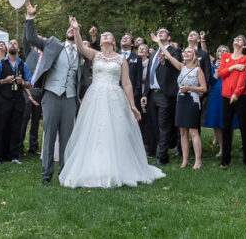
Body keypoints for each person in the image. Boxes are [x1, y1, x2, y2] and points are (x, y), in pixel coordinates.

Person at [58, 18, 165, 188]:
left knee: (116, 130)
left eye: (109, 35)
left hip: (115, 96)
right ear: (100, 41)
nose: (106, 35)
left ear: (113, 41)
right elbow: (80, 47)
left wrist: (132, 105)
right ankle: (93, 166)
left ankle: (118, 166)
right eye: (103, 35)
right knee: (94, 130)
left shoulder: (121, 59)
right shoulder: (96, 55)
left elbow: (127, 83)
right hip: (95, 96)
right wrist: (77, 30)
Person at [24, 1, 82, 183]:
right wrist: (30, 17)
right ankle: (46, 175)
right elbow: (32, 38)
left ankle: (64, 174)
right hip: (51, 94)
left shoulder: (82, 51)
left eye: (75, 29)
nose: (71, 30)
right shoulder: (52, 44)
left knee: (67, 137)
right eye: (69, 29)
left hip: (71, 97)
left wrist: (79, 31)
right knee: (49, 136)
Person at [152, 33, 208, 169]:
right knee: (182, 132)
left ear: (194, 55)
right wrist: (159, 43)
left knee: (193, 132)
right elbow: (169, 56)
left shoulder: (198, 70)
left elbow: (204, 88)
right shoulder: (181, 67)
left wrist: (189, 87)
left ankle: (198, 161)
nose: (186, 53)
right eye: (185, 51)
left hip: (192, 101)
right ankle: (185, 160)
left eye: (189, 51)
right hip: (181, 101)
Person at [0, 39, 32, 164]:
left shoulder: (23, 65)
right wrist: (5, 81)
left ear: (18, 49)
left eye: (15, 43)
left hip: (18, 100)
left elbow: (29, 84)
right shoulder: (0, 64)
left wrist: (22, 82)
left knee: (16, 128)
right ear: (8, 48)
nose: (13, 45)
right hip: (4, 99)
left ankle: (13, 156)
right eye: (11, 43)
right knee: (0, 127)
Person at [147, 27, 183, 165]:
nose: (159, 33)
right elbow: (150, 74)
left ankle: (162, 157)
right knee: (154, 125)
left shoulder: (175, 51)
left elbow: (176, 67)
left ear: (169, 37)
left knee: (164, 126)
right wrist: (145, 94)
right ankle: (156, 152)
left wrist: (164, 61)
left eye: (163, 32)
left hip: (165, 93)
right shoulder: (154, 53)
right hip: (151, 93)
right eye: (158, 32)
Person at [217, 38, 246, 168]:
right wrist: (233, 67)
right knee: (226, 128)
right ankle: (225, 160)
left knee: (245, 128)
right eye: (235, 38)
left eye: (240, 39)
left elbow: (243, 79)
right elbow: (221, 73)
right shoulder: (225, 56)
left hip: (241, 97)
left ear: (244, 46)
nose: (236, 40)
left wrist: (236, 94)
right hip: (226, 96)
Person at [204, 44, 231, 158]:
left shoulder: (232, 65)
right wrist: (217, 71)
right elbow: (211, 82)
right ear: (217, 54)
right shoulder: (213, 66)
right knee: (216, 123)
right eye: (220, 51)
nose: (222, 52)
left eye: (225, 51)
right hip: (216, 95)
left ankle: (228, 148)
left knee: (228, 123)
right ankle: (221, 148)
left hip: (228, 94)